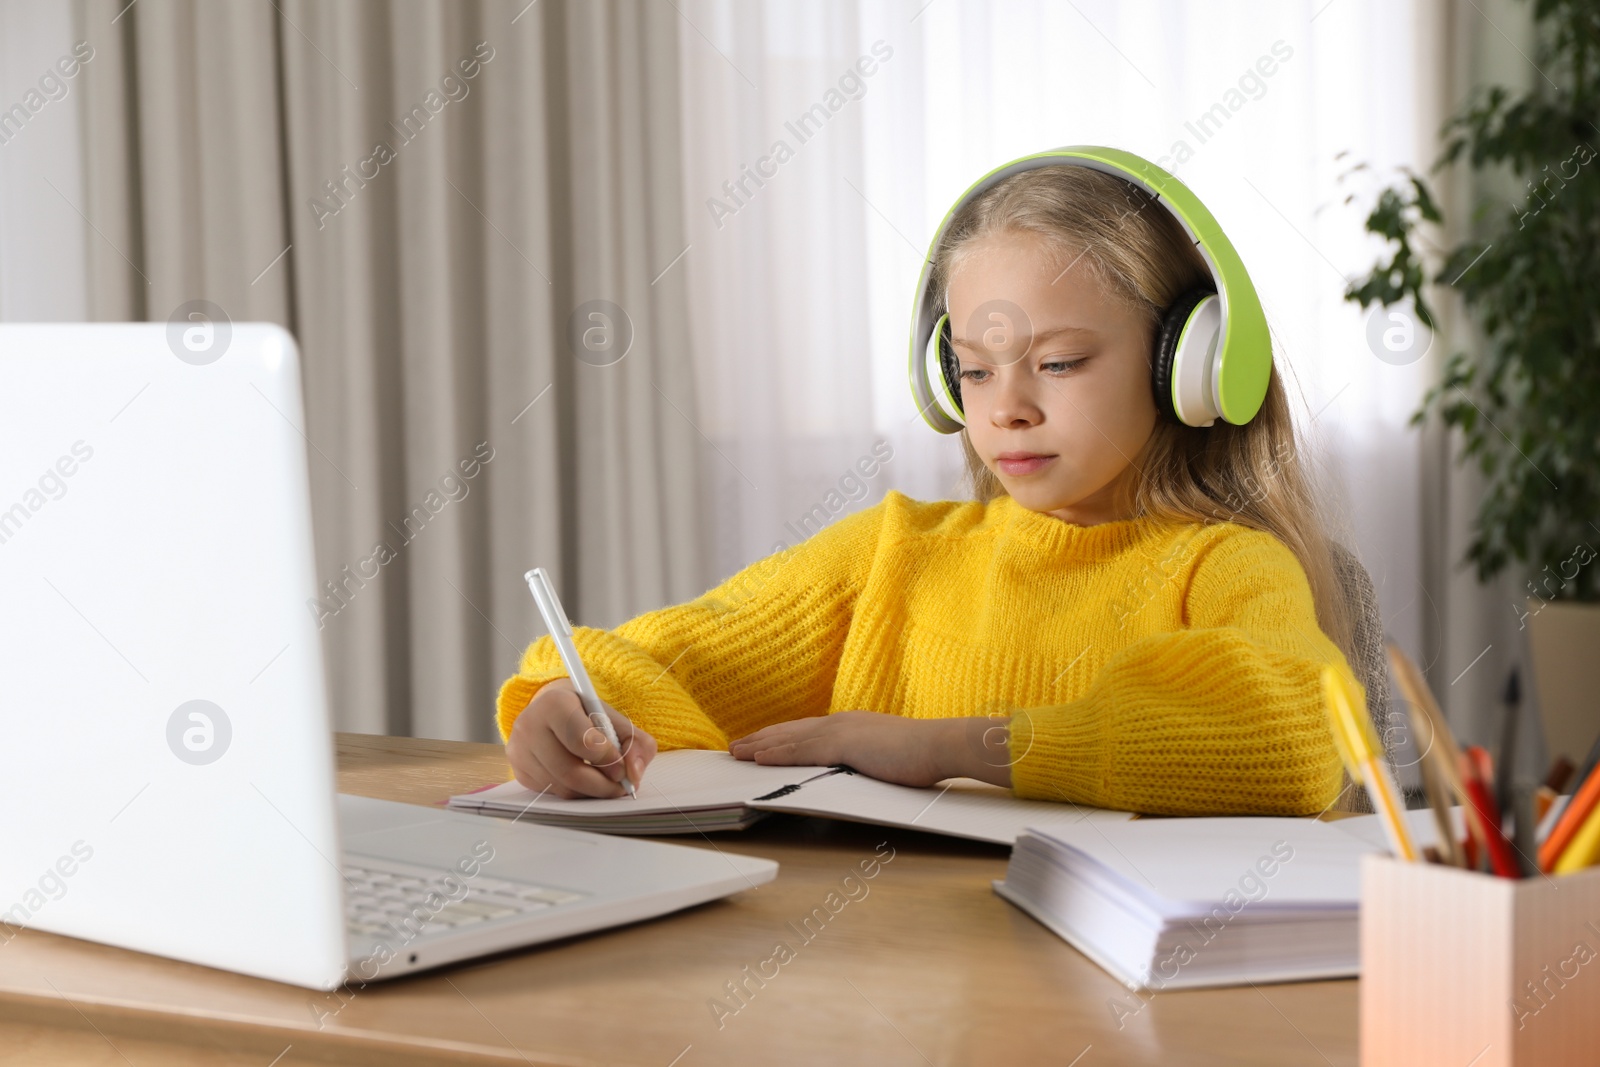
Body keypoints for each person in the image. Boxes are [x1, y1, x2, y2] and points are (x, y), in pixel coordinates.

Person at [495, 154, 1363, 816]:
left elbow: (1295, 735)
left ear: (1189, 362)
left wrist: (949, 747)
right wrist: (565, 705)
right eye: (976, 371)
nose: (1009, 408)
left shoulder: (1223, 566)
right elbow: (653, 660)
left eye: (1058, 362)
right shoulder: (891, 554)